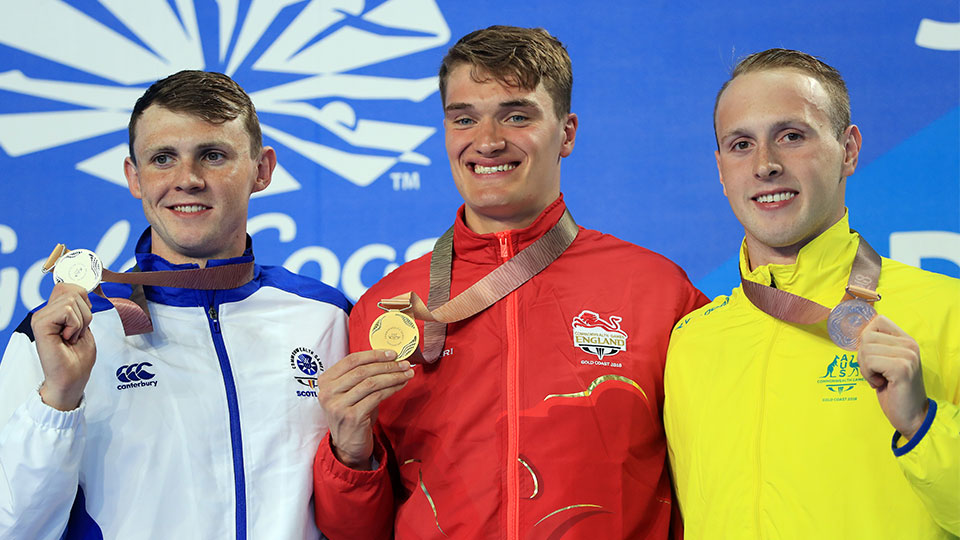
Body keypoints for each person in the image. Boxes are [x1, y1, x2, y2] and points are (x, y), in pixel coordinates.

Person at [312, 25, 708, 539]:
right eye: (464, 119)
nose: (488, 141)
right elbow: (355, 533)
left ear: (566, 133)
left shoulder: (658, 291)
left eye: (516, 116)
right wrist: (349, 452)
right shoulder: (384, 309)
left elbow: (716, 480)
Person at [0, 71, 349, 539]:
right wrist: (58, 400)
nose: (188, 179)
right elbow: (13, 527)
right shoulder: (61, 337)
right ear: (134, 177)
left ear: (261, 170)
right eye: (163, 158)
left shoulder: (327, 317)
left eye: (213, 155)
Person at [664, 48, 959, 539]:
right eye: (741, 144)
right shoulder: (690, 341)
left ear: (849, 149)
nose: (765, 165)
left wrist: (921, 425)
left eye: (791, 136)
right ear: (720, 169)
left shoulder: (947, 313)